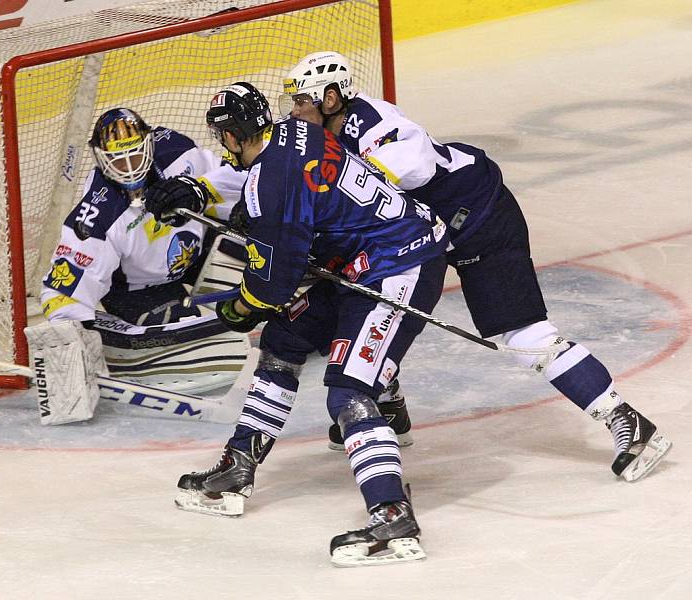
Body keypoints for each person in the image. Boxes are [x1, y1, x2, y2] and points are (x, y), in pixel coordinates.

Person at [278, 51, 672, 481]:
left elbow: (417, 163)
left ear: (331, 99)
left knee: (526, 336)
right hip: (421, 236)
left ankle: (630, 424)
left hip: (479, 218)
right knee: (358, 303)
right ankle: (388, 407)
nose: (295, 112)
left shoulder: (373, 121)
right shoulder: (320, 138)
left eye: (303, 102)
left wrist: (354, 179)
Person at [173, 81, 450, 567]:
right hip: (365, 258)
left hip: (399, 265)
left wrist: (238, 308)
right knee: (284, 337)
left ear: (235, 136)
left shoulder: (271, 182)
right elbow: (299, 195)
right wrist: (256, 219)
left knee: (348, 391)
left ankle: (392, 515)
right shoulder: (295, 132)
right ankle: (239, 466)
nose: (223, 146)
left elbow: (273, 285)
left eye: (224, 137)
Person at [38, 107, 247, 394]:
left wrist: (207, 196)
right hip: (139, 289)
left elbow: (239, 183)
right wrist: (70, 347)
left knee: (263, 269)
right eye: (118, 161)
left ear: (149, 144)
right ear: (101, 159)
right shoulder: (97, 215)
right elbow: (62, 293)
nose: (130, 167)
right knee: (188, 331)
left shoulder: (177, 152)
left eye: (135, 155)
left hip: (197, 254)